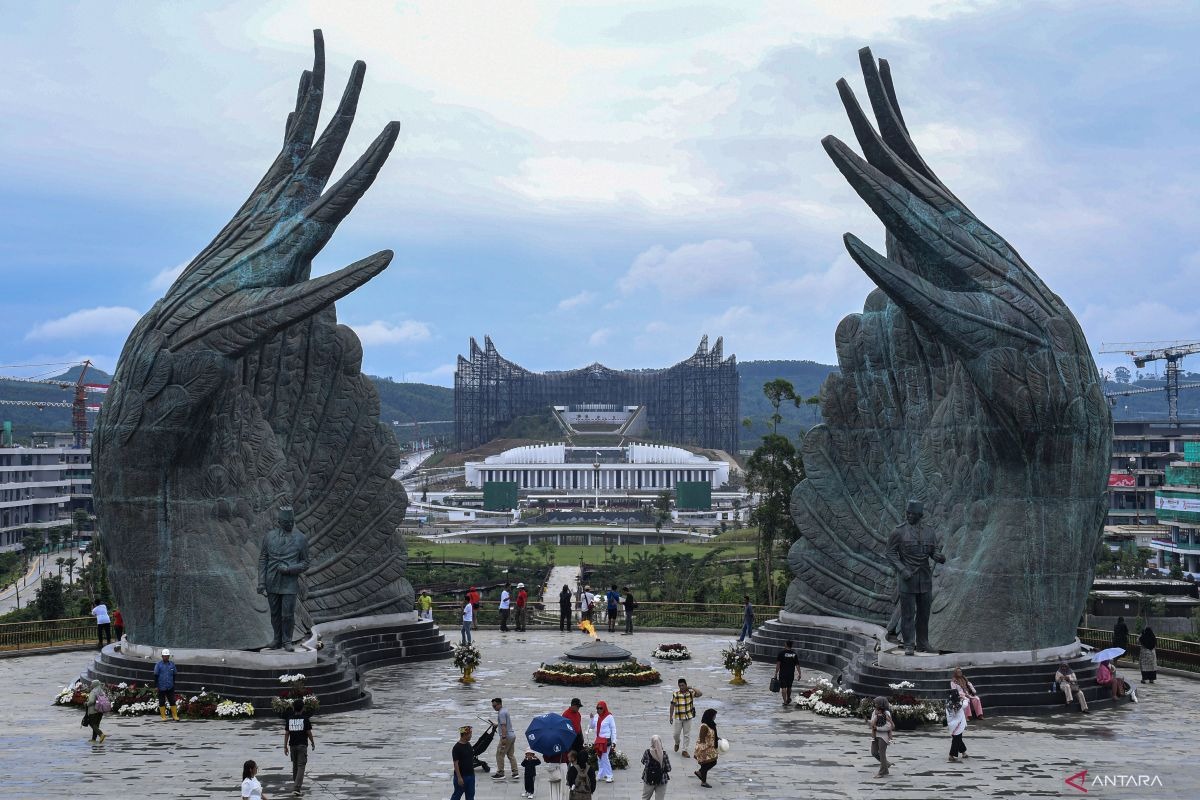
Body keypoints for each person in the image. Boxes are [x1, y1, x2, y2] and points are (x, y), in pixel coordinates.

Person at [885, 499, 945, 655]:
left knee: (924, 614)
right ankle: (909, 644)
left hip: (924, 579)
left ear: (920, 515)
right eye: (908, 513)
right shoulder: (898, 532)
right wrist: (902, 569)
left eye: (912, 514)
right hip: (908, 579)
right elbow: (890, 553)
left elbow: (933, 550)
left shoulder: (929, 531)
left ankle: (923, 643)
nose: (909, 516)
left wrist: (937, 556)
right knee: (908, 614)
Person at [257, 505, 310, 651]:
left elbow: (306, 563)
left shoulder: (301, 539)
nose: (290, 525)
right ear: (279, 522)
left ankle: (287, 641)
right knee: (275, 613)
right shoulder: (269, 537)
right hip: (272, 581)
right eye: (286, 522)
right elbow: (263, 559)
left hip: (289, 582)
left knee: (287, 614)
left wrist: (289, 569)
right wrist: (261, 582)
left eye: (292, 522)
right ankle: (277, 639)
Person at [283, 697, 315, 796]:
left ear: (293, 708)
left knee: (295, 765)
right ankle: (297, 788)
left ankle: (296, 783)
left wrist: (285, 746)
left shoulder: (289, 719)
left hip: (292, 745)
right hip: (302, 745)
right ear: (302, 708)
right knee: (301, 766)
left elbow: (287, 733)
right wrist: (312, 742)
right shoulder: (305, 719)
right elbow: (309, 732)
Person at [668, 678, 702, 756]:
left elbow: (700, 694)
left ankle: (684, 750)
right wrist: (670, 716)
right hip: (678, 717)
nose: (681, 687)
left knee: (687, 734)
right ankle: (677, 743)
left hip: (688, 717)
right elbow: (672, 705)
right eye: (680, 686)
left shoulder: (690, 693)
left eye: (683, 685)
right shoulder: (676, 694)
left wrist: (691, 687)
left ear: (686, 685)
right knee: (676, 734)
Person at [492, 697, 519, 781]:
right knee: (511, 755)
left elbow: (504, 726)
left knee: (499, 754)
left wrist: (503, 738)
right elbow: (504, 724)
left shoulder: (501, 713)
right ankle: (515, 773)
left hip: (506, 737)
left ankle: (500, 773)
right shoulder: (505, 710)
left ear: (500, 704)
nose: (494, 708)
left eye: (495, 706)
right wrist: (497, 724)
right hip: (512, 735)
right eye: (493, 706)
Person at [591, 700, 617, 784]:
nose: (599, 710)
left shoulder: (609, 717)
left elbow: (613, 729)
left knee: (605, 757)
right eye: (597, 708)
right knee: (599, 757)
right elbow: (592, 726)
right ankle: (601, 774)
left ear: (604, 708)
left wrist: (614, 741)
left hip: (606, 740)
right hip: (598, 740)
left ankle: (609, 775)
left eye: (600, 708)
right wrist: (591, 719)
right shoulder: (596, 716)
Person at [692, 708, 718, 788]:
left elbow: (712, 735)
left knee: (712, 762)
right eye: (714, 716)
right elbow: (702, 739)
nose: (715, 717)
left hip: (710, 748)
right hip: (704, 748)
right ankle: (703, 781)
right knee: (706, 764)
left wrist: (717, 738)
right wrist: (703, 751)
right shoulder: (704, 726)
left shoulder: (711, 724)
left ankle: (700, 773)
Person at [640, 734, 671, 800]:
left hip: (649, 778)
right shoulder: (664, 754)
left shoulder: (647, 752)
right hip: (662, 779)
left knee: (645, 797)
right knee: (660, 798)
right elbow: (668, 768)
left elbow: (643, 761)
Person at [869, 696, 893, 778]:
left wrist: (877, 728)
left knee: (882, 754)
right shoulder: (874, 711)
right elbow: (872, 722)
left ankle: (883, 772)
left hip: (883, 736)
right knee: (874, 752)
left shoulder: (886, 713)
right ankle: (886, 764)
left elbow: (889, 726)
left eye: (876, 703)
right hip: (875, 735)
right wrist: (871, 722)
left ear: (881, 704)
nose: (875, 704)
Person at [451, 725, 477, 800]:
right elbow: (456, 763)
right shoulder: (457, 747)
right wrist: (459, 778)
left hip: (471, 776)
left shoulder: (468, 745)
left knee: (470, 796)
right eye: (470, 734)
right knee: (456, 796)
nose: (471, 736)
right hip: (462, 777)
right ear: (464, 735)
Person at [774, 640, 800, 707]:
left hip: (783, 673)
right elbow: (797, 665)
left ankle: (785, 701)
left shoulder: (781, 653)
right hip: (791, 673)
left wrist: (776, 673)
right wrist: (799, 673)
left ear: (786, 645)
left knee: (783, 687)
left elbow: (778, 664)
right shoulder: (794, 654)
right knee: (789, 687)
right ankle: (788, 698)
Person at [154, 648, 178, 721]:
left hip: (170, 686)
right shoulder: (158, 665)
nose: (166, 657)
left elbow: (174, 674)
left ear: (169, 656)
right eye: (164, 656)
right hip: (161, 686)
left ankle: (175, 716)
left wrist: (173, 684)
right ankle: (163, 716)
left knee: (172, 701)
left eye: (167, 656)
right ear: (162, 656)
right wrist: (156, 686)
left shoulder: (172, 664)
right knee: (162, 701)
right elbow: (156, 675)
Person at [945, 690, 968, 762]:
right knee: (956, 739)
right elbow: (966, 704)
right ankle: (951, 755)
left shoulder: (948, 703)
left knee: (958, 738)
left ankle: (963, 752)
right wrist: (964, 698)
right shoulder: (959, 704)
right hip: (958, 724)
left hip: (951, 723)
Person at [84, 679, 107, 743]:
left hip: (93, 710)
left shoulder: (93, 692)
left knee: (92, 723)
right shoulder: (102, 691)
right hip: (100, 710)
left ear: (95, 684)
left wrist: (86, 703)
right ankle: (93, 739)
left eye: (92, 684)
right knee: (96, 725)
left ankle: (101, 734)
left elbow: (91, 701)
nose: (91, 685)